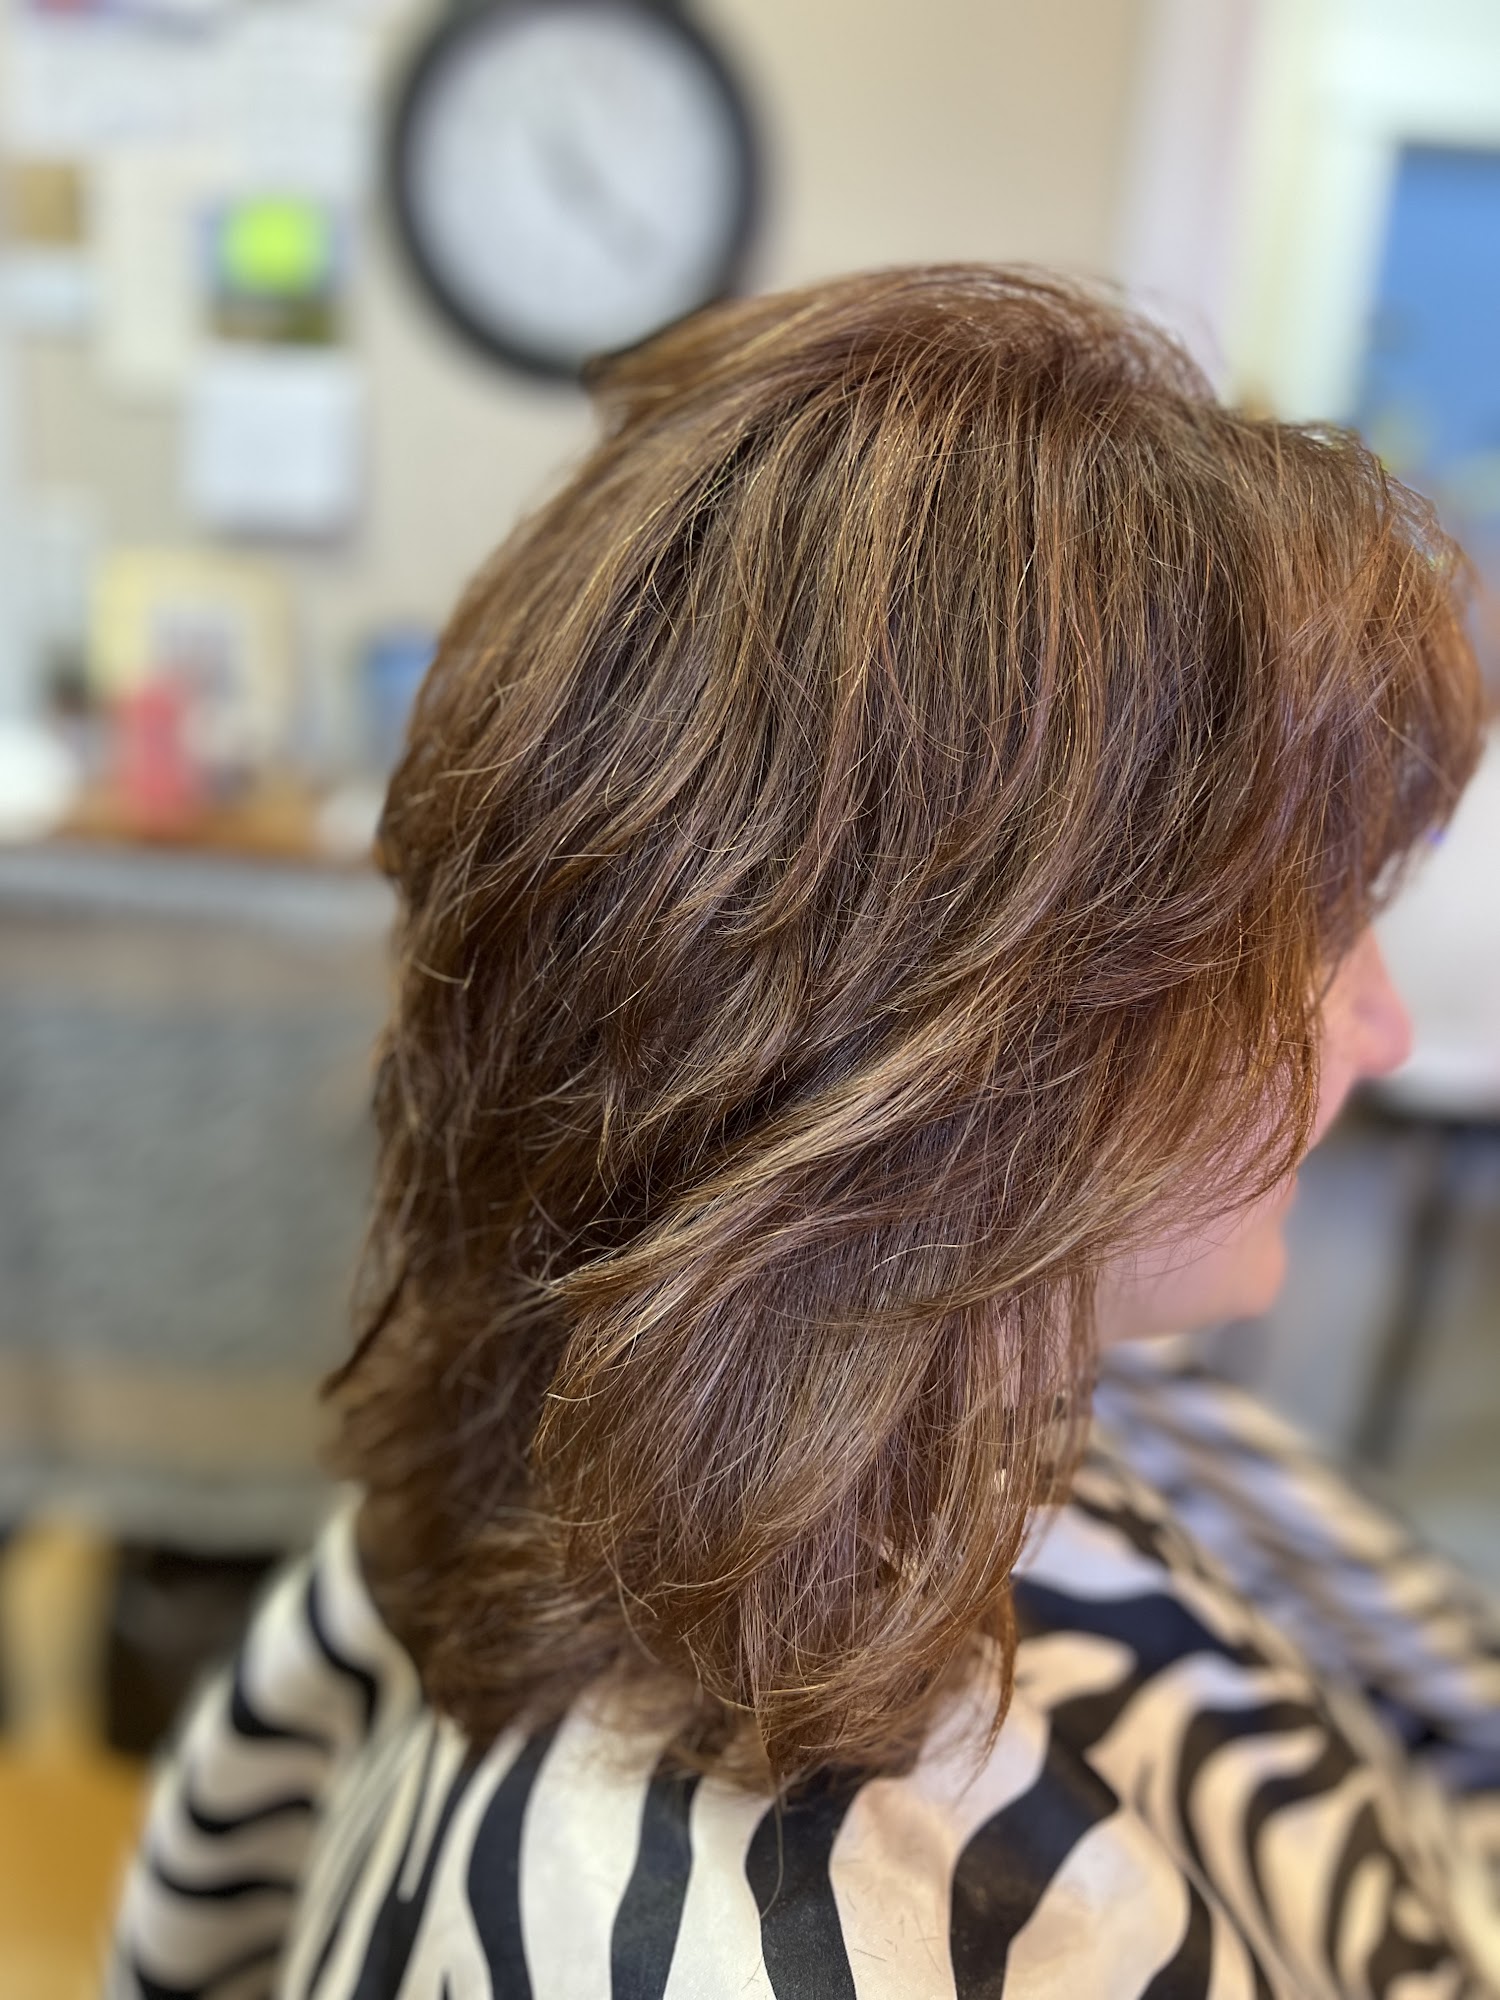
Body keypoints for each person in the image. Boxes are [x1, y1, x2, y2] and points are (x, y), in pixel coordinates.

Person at [109, 266, 1500, 1999]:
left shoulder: (995, 1396)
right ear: (968, 1035)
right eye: (1313, 928)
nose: (1380, 1025)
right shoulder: (719, 1936)